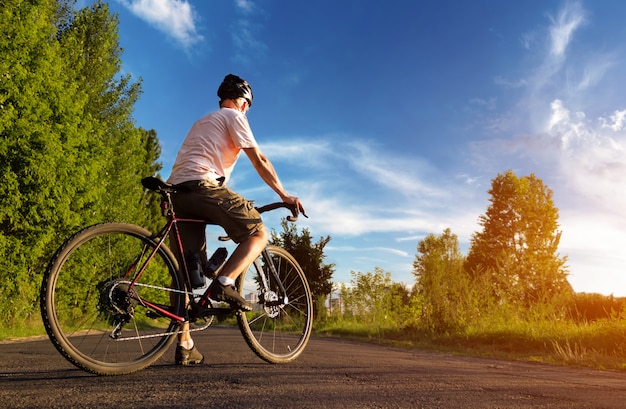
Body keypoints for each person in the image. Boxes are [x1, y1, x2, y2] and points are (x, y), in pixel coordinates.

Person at [166, 74, 306, 365]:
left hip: (176, 194)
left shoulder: (204, 121)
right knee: (257, 233)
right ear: (243, 103)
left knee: (186, 276)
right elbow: (260, 160)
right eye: (247, 107)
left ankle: (185, 344)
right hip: (203, 187)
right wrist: (284, 195)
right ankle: (225, 282)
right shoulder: (234, 116)